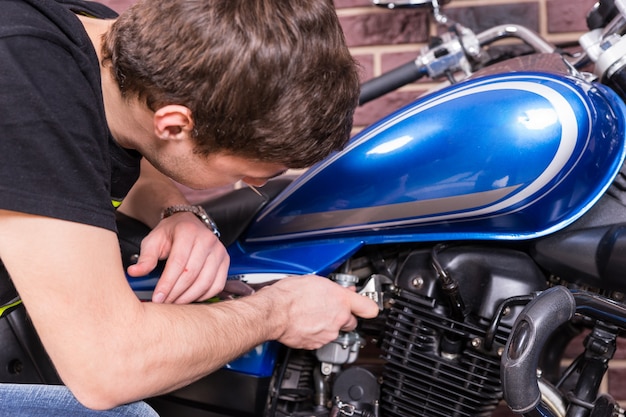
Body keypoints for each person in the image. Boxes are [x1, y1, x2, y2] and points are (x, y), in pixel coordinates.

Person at [0, 0, 379, 414]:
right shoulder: (25, 87)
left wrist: (177, 211)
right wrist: (281, 311)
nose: (254, 186)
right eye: (255, 174)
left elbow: (93, 149)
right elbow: (108, 367)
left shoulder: (106, 45)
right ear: (175, 125)